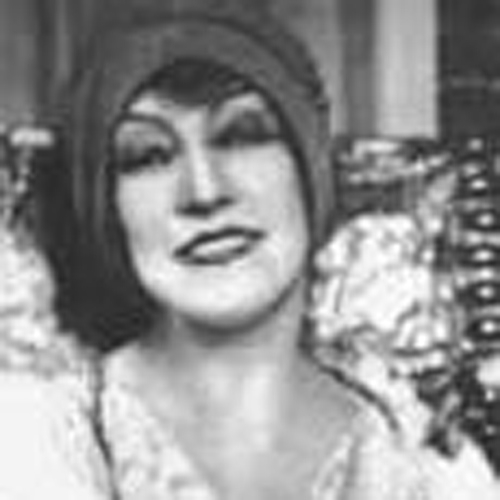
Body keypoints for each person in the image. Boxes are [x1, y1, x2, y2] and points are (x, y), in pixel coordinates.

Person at [0, 1, 499, 499]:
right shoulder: (31, 440)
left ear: (310, 172)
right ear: (107, 209)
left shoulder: (432, 471)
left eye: (243, 135)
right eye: (147, 157)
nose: (204, 191)